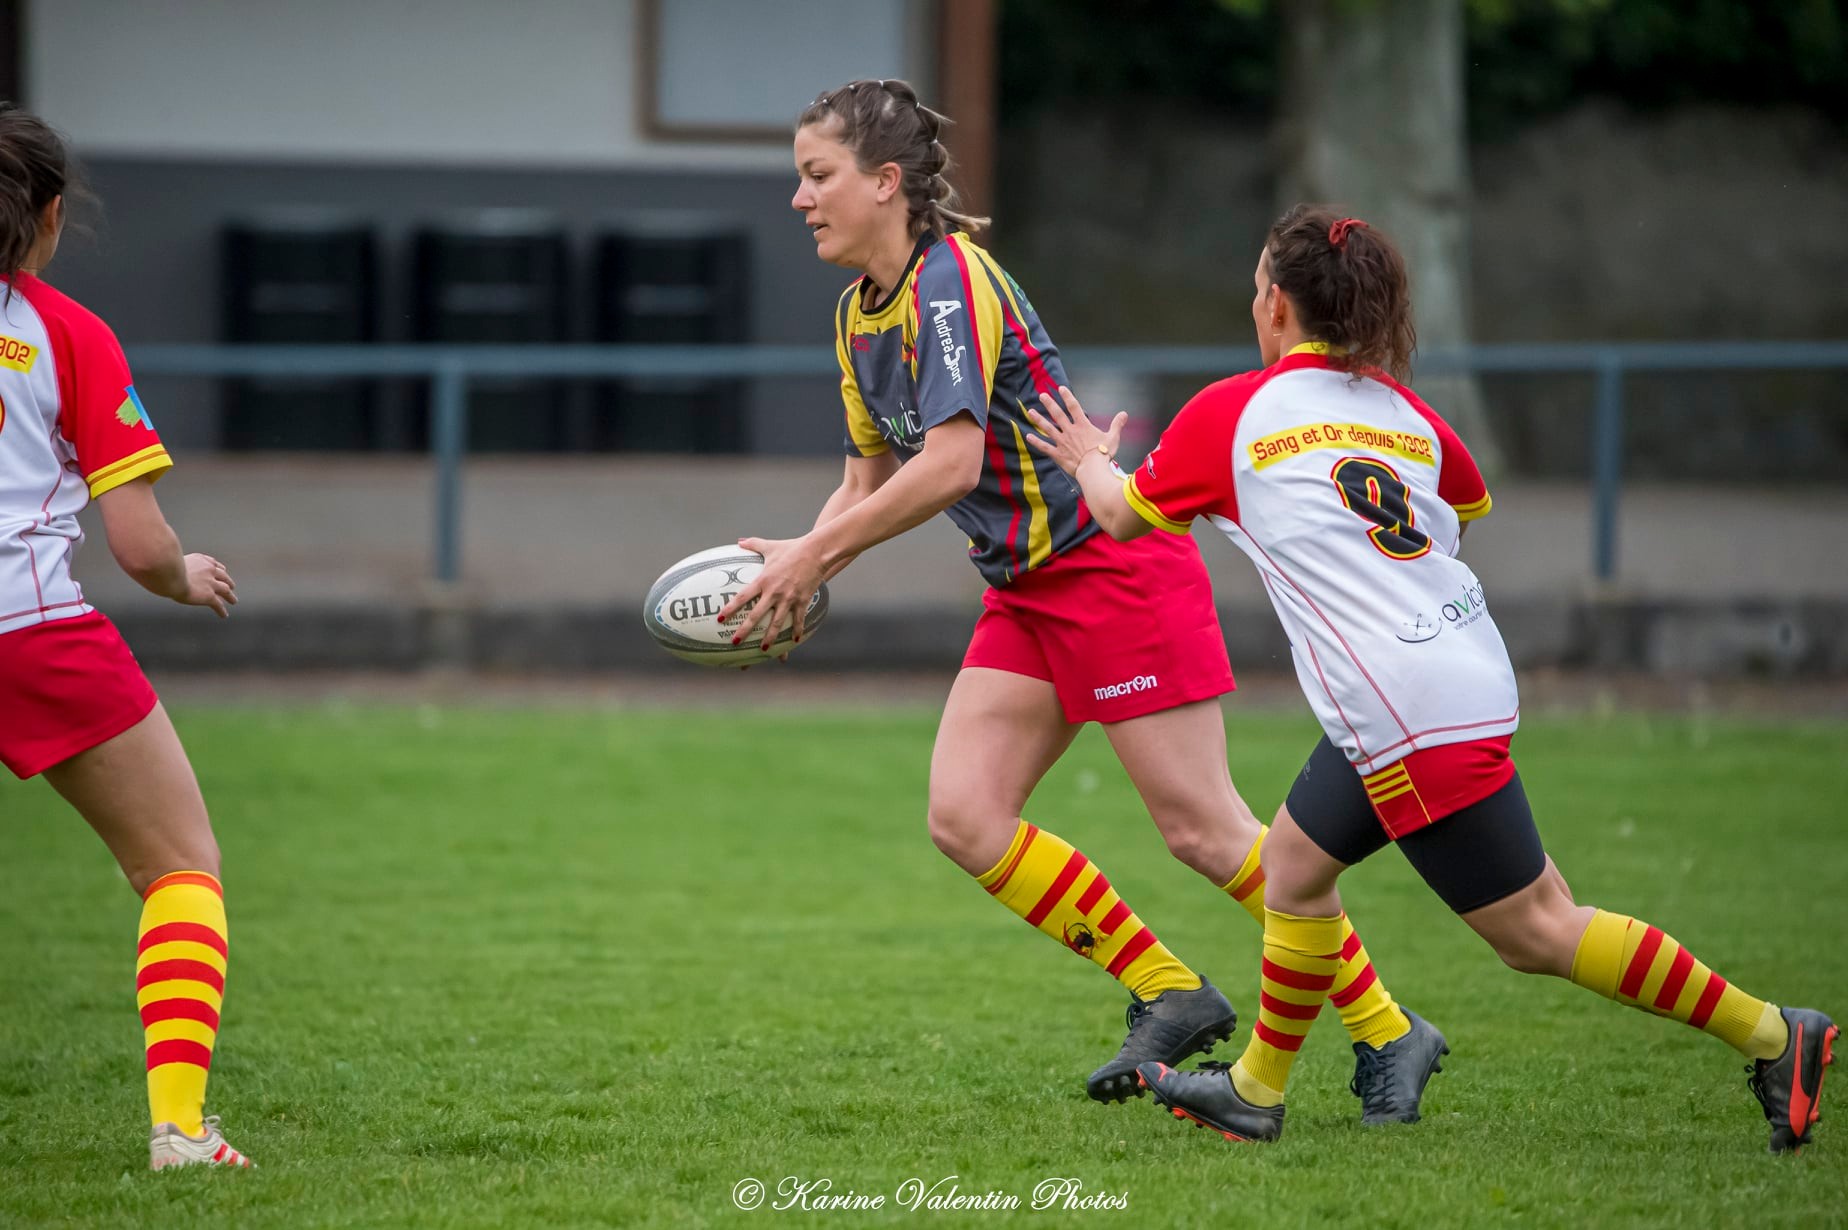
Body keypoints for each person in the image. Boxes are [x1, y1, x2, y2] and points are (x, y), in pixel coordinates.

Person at [1024, 203, 1836, 1150]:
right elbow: (1468, 500)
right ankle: (1254, 1091)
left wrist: (1087, 458)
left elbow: (1122, 518)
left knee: (1538, 930)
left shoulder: (1232, 414)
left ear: (1280, 306)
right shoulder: (1408, 415)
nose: (1254, 305)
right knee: (1292, 864)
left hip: (1403, 715)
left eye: (1257, 289)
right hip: (1449, 678)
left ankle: (1777, 1034)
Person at [720, 81, 1445, 1119]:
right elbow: (867, 482)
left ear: (884, 184)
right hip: (1025, 587)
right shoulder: (857, 316)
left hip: (1111, 566)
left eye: (817, 175)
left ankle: (1389, 1030)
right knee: (966, 816)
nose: (800, 198)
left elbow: (952, 464)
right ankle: (1169, 990)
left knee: (1203, 830)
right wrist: (803, 560)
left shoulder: (947, 282)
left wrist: (815, 558)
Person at [0, 105, 250, 1170]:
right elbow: (140, 543)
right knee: (180, 868)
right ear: (51, 216)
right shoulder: (68, 333)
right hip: (34, 634)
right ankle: (180, 1131)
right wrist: (184, 579)